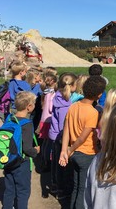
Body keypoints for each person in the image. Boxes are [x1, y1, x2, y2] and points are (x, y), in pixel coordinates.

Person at [59, 75, 107, 209]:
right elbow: (82, 137)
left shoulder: (73, 106)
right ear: (99, 95)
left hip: (74, 154)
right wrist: (70, 149)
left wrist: (65, 150)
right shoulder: (93, 112)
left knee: (76, 187)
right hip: (87, 154)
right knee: (83, 189)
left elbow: (66, 130)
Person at [2, 91, 40, 209]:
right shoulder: (27, 124)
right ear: (29, 107)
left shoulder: (9, 118)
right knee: (23, 191)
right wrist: (36, 151)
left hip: (8, 160)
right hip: (21, 163)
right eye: (34, 103)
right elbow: (27, 148)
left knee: (9, 190)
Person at [48, 72, 77, 200]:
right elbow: (63, 126)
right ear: (71, 86)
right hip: (61, 137)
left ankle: (55, 184)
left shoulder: (58, 97)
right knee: (63, 165)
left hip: (54, 135)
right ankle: (62, 189)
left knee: (56, 163)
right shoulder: (65, 105)